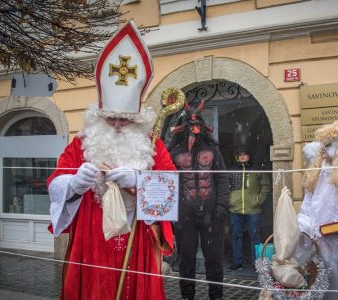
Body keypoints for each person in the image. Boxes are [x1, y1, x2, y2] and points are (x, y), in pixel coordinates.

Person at [47, 21, 175, 300]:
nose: (117, 124)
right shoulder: (81, 145)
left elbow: (171, 194)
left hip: (137, 241)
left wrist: (140, 182)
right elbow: (54, 184)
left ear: (138, 119)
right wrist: (73, 183)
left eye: (125, 119)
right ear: (98, 114)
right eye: (110, 117)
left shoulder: (153, 146)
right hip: (91, 241)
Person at [167, 101, 230, 300]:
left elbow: (222, 179)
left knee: (214, 260)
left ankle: (216, 296)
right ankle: (187, 297)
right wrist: (171, 213)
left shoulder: (213, 151)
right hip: (184, 217)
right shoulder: (173, 154)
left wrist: (221, 205)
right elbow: (167, 184)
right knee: (186, 261)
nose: (193, 129)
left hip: (212, 215)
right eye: (188, 124)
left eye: (196, 125)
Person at [298, 120, 338, 300]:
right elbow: (307, 208)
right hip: (319, 252)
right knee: (322, 291)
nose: (323, 148)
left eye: (329, 143)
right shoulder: (317, 173)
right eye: (323, 143)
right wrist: (304, 228)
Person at [229, 145, 271, 270]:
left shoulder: (257, 169)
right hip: (235, 209)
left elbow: (266, 186)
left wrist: (258, 201)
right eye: (240, 154)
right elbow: (226, 187)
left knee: (255, 236)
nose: (242, 156)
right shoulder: (231, 170)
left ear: (249, 156)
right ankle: (237, 262)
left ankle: (256, 263)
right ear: (236, 157)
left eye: (244, 154)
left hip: (253, 209)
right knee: (236, 236)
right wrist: (229, 201)